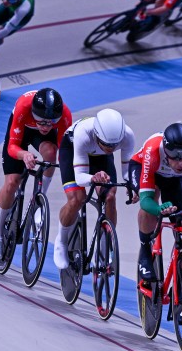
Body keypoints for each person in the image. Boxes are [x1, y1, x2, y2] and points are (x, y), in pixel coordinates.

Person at [0, 88, 72, 260]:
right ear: (34, 113)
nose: (46, 126)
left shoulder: (65, 115)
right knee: (12, 182)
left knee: (51, 153)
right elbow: (12, 147)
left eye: (50, 123)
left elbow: (65, 152)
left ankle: (39, 200)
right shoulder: (23, 106)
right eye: (42, 122)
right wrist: (24, 154)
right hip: (21, 135)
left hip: (41, 140)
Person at [127, 122, 182, 281]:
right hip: (144, 169)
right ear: (166, 151)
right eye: (175, 156)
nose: (181, 162)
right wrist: (158, 209)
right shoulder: (153, 151)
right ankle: (145, 252)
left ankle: (179, 285)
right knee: (151, 203)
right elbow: (145, 201)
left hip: (175, 178)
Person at [52, 109, 138, 269]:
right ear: (97, 136)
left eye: (114, 145)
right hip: (72, 149)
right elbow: (80, 177)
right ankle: (61, 242)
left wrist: (134, 186)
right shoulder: (83, 134)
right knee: (77, 198)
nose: (111, 148)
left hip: (101, 158)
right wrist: (93, 178)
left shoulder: (127, 136)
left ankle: (105, 245)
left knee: (110, 196)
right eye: (107, 144)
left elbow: (127, 171)